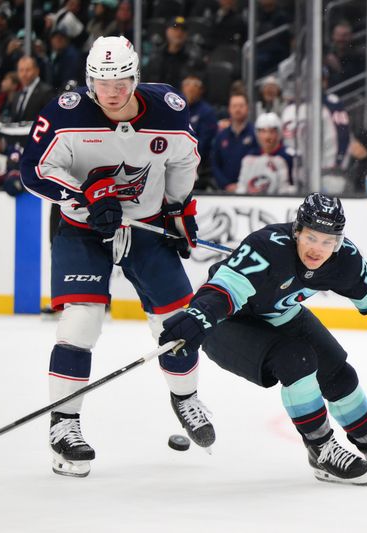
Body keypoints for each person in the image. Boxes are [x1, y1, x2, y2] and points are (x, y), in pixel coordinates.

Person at [19, 36, 214, 477]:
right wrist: (82, 193)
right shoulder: (65, 113)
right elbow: (32, 169)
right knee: (81, 322)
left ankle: (186, 400)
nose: (111, 91)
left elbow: (184, 162)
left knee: (179, 323)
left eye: (121, 80)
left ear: (135, 77)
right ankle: (64, 426)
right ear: (89, 81)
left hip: (146, 230)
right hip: (84, 231)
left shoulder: (168, 109)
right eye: (102, 82)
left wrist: (178, 211)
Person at [158, 193, 367, 486]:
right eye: (312, 238)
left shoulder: (344, 260)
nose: (318, 249)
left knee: (338, 372)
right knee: (296, 360)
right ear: (297, 230)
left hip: (279, 313)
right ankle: (321, 449)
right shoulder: (265, 247)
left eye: (328, 241)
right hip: (228, 322)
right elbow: (224, 291)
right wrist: (200, 316)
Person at [236, 112, 295, 194]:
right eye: (263, 131)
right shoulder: (251, 156)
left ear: (279, 133)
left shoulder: (288, 156)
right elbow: (242, 185)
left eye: (271, 131)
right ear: (257, 134)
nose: (267, 136)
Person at [211, 92, 258, 191]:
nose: (238, 109)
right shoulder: (221, 136)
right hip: (225, 191)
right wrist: (225, 185)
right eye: (234, 106)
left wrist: (244, 186)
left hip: (250, 191)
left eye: (241, 106)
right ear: (229, 109)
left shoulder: (256, 134)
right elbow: (215, 163)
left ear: (247, 108)